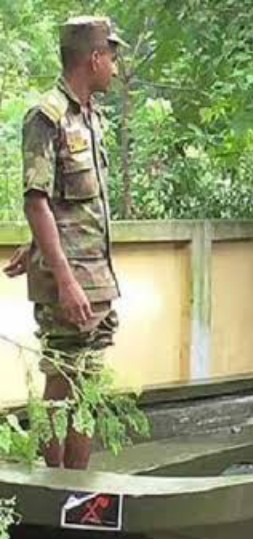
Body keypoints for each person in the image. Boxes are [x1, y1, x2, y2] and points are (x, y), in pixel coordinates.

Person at [10, 17, 128, 470]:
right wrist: (63, 276)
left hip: (97, 276)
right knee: (63, 388)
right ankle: (51, 492)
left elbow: (65, 204)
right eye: (112, 58)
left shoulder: (92, 117)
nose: (115, 69)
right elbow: (35, 198)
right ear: (94, 58)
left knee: (89, 388)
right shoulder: (47, 117)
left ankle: (77, 489)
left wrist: (34, 244)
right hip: (71, 283)